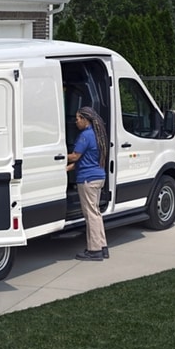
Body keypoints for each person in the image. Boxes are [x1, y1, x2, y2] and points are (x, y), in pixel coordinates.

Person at [66, 106, 109, 261]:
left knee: (90, 215)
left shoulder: (85, 136)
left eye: (78, 118)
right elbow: (84, 160)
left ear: (85, 119)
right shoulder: (97, 134)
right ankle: (102, 246)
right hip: (98, 177)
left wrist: (57, 155)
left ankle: (94, 250)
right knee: (96, 213)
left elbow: (75, 157)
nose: (76, 121)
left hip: (87, 180)